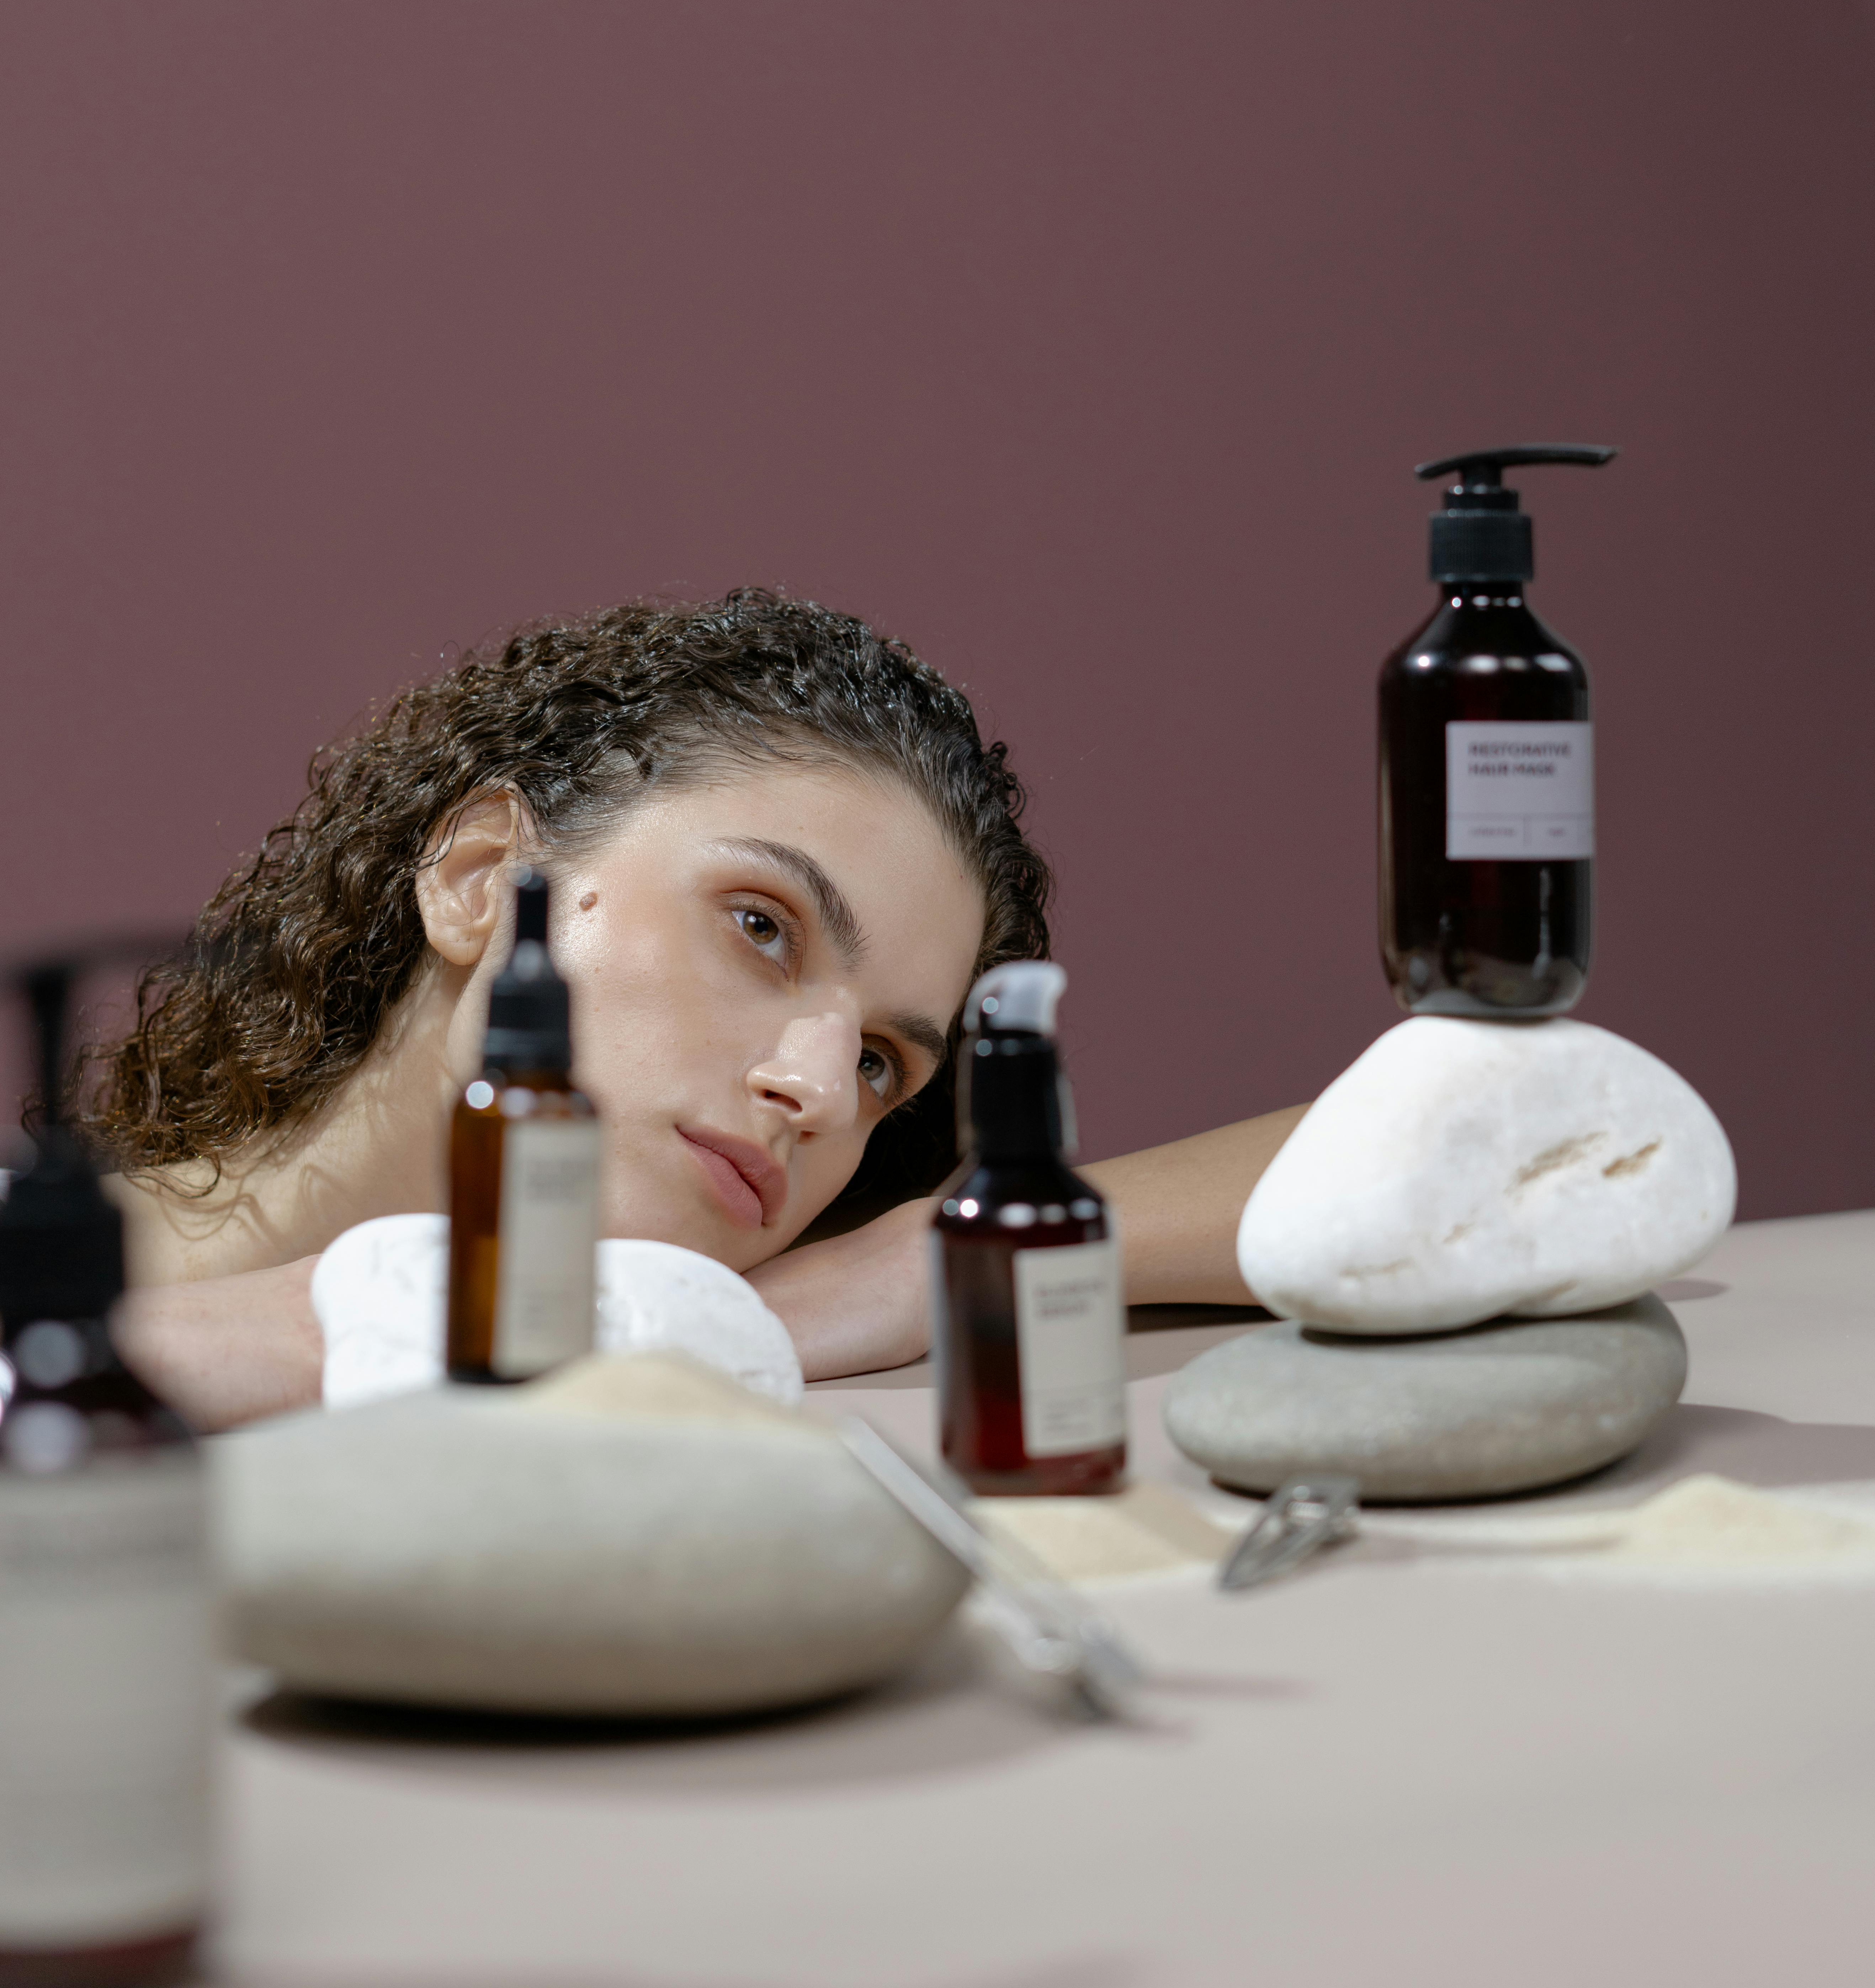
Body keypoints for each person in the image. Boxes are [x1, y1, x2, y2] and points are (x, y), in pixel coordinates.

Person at [94, 591, 1306, 1428]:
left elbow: (1475, 1151)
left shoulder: (726, 1359)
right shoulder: (63, 1310)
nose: (824, 1094)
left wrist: (908, 1263)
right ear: (482, 885)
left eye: (886, 1065)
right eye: (762, 926)